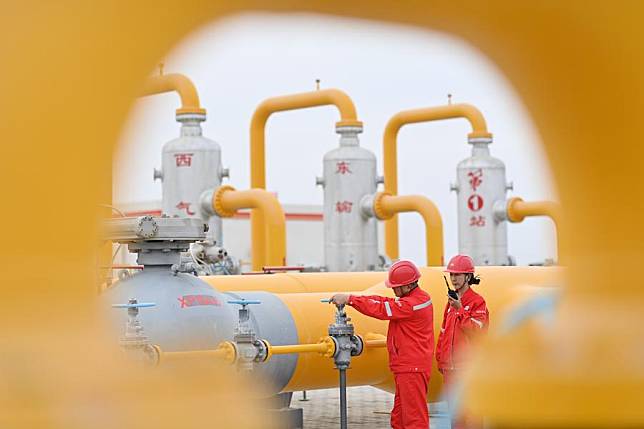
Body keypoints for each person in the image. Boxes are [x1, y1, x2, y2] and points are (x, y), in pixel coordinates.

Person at [329, 260, 434, 429]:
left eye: (395, 286)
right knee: (399, 419)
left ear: (407, 286)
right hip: (407, 367)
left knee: (414, 420)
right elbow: (382, 300)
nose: (392, 289)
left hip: (411, 368)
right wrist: (351, 297)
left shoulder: (411, 304)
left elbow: (382, 309)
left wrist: (350, 300)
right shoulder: (413, 299)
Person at [435, 254, 489, 429]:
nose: (453, 279)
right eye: (451, 275)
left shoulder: (477, 301)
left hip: (468, 368)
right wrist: (440, 359)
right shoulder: (451, 301)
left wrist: (460, 310)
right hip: (450, 369)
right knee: (456, 417)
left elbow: (478, 331)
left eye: (457, 275)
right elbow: (444, 331)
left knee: (472, 416)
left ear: (468, 276)